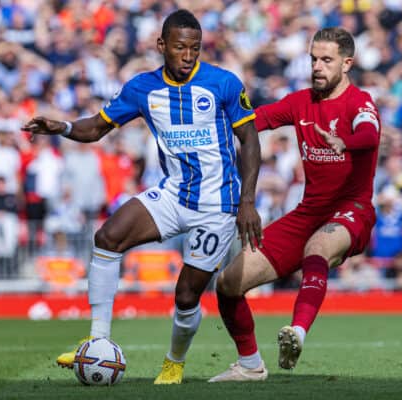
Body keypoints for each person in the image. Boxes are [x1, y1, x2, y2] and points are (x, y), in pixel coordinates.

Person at [22, 9, 262, 385]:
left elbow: (250, 140)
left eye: (195, 49)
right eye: (180, 47)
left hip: (218, 205)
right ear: (161, 45)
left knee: (186, 295)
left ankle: (174, 363)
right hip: (173, 194)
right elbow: (97, 128)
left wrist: (247, 202)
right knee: (107, 237)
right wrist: (62, 126)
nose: (187, 56)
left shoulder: (224, 83)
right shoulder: (141, 88)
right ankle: (97, 341)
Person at [208, 27, 381, 382]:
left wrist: (345, 143)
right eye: (314, 59)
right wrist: (211, 122)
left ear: (347, 63)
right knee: (227, 283)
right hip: (308, 212)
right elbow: (253, 121)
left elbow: (369, 134)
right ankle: (250, 365)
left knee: (318, 247)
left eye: (327, 60)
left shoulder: (360, 102)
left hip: (352, 209)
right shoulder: (300, 102)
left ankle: (297, 332)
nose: (317, 66)